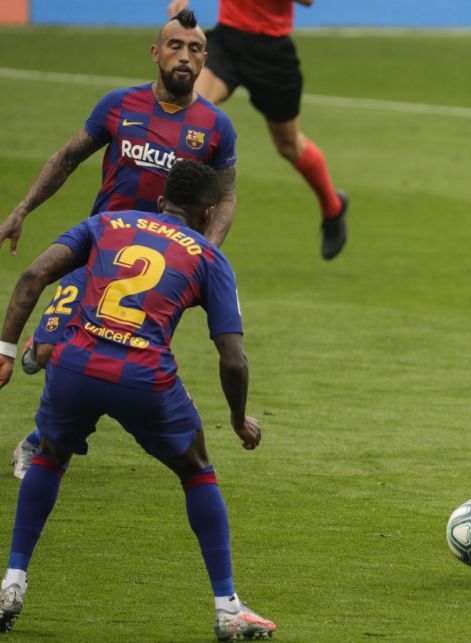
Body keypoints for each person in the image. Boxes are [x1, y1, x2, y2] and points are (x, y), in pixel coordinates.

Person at [0, 160, 276, 640]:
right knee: (197, 471)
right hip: (142, 375)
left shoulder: (108, 223)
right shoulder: (209, 258)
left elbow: (33, 275)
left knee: (49, 457)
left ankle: (12, 584)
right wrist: (237, 419)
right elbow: (233, 358)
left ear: (161, 198)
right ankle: (229, 608)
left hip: (76, 366)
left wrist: (4, 350)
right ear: (209, 210)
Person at [0, 9, 237, 479]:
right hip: (98, 252)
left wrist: (204, 254)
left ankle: (39, 441)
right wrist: (24, 207)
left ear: (205, 59)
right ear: (155, 53)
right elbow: (67, 157)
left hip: (159, 274)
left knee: (117, 363)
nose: (184, 57)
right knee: (49, 356)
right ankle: (39, 352)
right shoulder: (117, 106)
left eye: (194, 50)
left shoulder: (215, 126)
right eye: (175, 46)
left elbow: (226, 197)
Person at [167, 0, 350, 260]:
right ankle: (184, 222)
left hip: (272, 53)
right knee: (191, 113)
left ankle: (333, 207)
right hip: (227, 42)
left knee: (288, 145)